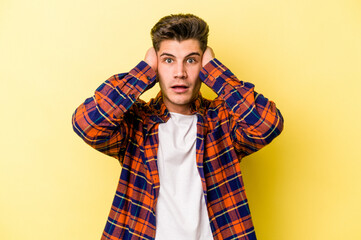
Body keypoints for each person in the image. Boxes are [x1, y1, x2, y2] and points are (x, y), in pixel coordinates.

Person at [72, 13, 284, 240]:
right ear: (156, 66)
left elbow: (268, 124)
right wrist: (143, 70)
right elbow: (87, 124)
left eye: (191, 60)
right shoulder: (137, 122)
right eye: (168, 60)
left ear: (203, 65)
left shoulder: (223, 121)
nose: (180, 73)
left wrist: (215, 71)